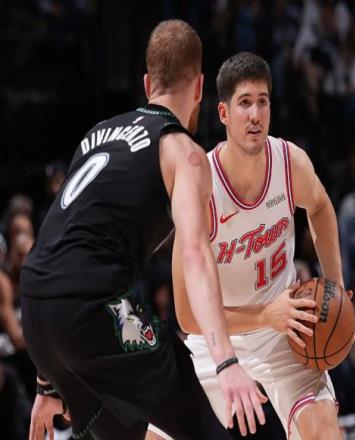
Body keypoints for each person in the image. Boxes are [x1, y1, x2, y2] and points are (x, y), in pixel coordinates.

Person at [20, 20, 266, 440]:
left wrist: (48, 378)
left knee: (130, 434)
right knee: (210, 426)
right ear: (200, 87)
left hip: (35, 307)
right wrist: (226, 362)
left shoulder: (97, 134)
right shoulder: (184, 153)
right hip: (93, 306)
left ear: (148, 83)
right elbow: (194, 254)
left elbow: (58, 242)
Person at [148, 52, 347, 440]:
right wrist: (264, 315)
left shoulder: (290, 162)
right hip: (217, 337)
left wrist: (335, 288)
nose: (255, 114)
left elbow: (321, 207)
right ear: (223, 113)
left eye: (262, 101)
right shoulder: (199, 187)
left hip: (284, 331)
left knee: (324, 431)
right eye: (244, 103)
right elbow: (187, 317)